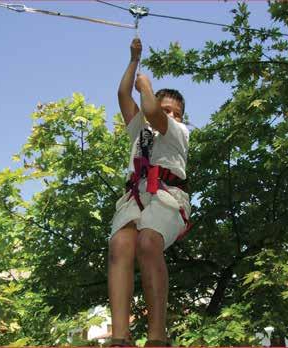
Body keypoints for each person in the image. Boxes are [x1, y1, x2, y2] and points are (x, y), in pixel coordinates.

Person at [107, 37, 191, 347]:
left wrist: (147, 89)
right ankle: (120, 337)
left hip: (168, 195)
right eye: (166, 108)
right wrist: (133, 60)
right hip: (136, 195)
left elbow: (153, 111)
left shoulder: (176, 132)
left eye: (176, 112)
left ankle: (157, 336)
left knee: (147, 241)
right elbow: (121, 94)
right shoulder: (141, 129)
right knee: (120, 244)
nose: (169, 115)